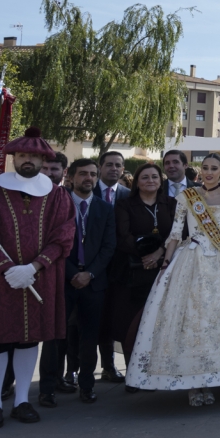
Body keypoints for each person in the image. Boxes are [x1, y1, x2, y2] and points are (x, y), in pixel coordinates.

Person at [0, 129, 74, 428]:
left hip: (39, 278)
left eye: (33, 156)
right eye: (22, 155)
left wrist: (34, 267)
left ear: (42, 159)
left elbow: (63, 236)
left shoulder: (58, 196)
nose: (27, 160)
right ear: (14, 158)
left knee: (28, 340)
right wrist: (6, 268)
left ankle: (22, 399)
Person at [127, 152, 220, 406]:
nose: (209, 172)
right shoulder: (188, 196)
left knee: (215, 323)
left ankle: (209, 381)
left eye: (214, 168)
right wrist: (166, 262)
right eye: (205, 167)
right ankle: (192, 385)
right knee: (191, 321)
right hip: (191, 259)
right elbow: (176, 233)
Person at [40, 158, 115, 406]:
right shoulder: (57, 206)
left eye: (93, 174)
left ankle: (86, 386)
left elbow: (108, 247)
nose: (89, 178)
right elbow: (50, 244)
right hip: (63, 279)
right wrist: (72, 273)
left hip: (93, 283)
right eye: (83, 173)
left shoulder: (105, 209)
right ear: (70, 177)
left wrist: (89, 274)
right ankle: (48, 389)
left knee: (89, 337)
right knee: (55, 337)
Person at [112, 163, 174, 376]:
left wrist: (159, 254)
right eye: (145, 177)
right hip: (134, 273)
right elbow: (123, 235)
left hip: (164, 270)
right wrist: (145, 256)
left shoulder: (171, 204)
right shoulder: (124, 205)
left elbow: (179, 232)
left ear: (161, 180)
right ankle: (134, 373)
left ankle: (158, 371)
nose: (150, 181)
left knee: (161, 323)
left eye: (155, 177)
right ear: (137, 182)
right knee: (133, 324)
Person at [94, 150, 129, 385]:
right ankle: (73, 370)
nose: (113, 169)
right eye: (109, 165)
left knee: (115, 319)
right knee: (88, 322)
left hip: (121, 267)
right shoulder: (87, 190)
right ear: (100, 167)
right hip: (92, 266)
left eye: (118, 165)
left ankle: (110, 366)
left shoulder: (128, 195)